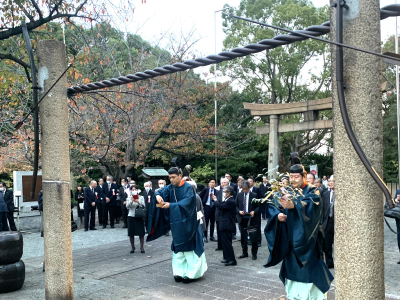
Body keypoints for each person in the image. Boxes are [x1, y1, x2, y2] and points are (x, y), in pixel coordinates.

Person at [264, 163, 333, 299]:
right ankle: (293, 296)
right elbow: (274, 206)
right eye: (291, 177)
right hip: (290, 241)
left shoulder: (313, 190)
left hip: (308, 240)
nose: (294, 179)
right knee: (292, 273)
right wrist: (277, 216)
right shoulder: (286, 190)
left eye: (297, 176)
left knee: (309, 272)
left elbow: (311, 204)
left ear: (303, 176)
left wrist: (293, 205)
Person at [147, 167, 207, 284]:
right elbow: (160, 191)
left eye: (173, 177)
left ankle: (192, 273)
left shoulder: (189, 188)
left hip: (189, 223)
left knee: (190, 251)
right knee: (178, 251)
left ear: (180, 176)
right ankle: (179, 272)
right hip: (177, 224)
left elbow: (187, 203)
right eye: (169, 178)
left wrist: (171, 206)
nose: (171, 180)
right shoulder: (170, 188)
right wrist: (158, 195)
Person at [212, 185, 237, 266]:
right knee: (225, 243)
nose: (223, 193)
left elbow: (221, 206)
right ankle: (227, 258)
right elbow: (220, 204)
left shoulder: (231, 201)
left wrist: (215, 200)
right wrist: (215, 200)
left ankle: (232, 260)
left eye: (225, 192)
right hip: (224, 224)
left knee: (227, 243)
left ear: (229, 193)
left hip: (227, 224)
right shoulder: (227, 199)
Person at [236, 180, 260, 260]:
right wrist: (239, 211)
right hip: (242, 218)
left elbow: (258, 206)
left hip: (252, 218)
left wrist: (254, 211)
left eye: (246, 189)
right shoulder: (239, 195)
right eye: (243, 189)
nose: (245, 191)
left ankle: (254, 253)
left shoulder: (254, 195)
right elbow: (235, 206)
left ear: (249, 188)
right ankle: (244, 252)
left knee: (253, 236)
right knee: (243, 236)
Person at [126, 185, 146, 254]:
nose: (134, 191)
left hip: (139, 216)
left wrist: (138, 202)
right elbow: (127, 206)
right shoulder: (129, 198)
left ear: (137, 190)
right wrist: (131, 201)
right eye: (132, 189)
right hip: (131, 216)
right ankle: (132, 247)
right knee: (131, 233)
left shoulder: (141, 197)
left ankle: (142, 247)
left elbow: (144, 206)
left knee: (141, 233)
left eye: (135, 189)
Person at [199, 179, 219, 243]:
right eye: (211, 182)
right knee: (206, 222)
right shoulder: (206, 190)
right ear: (209, 183)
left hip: (213, 207)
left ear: (215, 184)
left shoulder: (216, 191)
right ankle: (205, 236)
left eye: (213, 182)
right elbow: (200, 196)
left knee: (212, 223)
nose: (212, 184)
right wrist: (202, 204)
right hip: (207, 207)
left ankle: (211, 236)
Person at [215, 178, 230, 251]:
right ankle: (219, 245)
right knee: (218, 230)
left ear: (227, 183)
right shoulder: (218, 192)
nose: (223, 184)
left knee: (225, 232)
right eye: (222, 183)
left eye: (224, 182)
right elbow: (216, 201)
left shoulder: (231, 192)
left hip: (226, 215)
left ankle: (226, 246)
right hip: (219, 214)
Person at [324, 175, 335, 269]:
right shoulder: (326, 194)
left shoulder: (342, 194)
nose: (330, 182)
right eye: (329, 181)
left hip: (338, 222)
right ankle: (329, 261)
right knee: (327, 243)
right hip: (328, 221)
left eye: (333, 181)